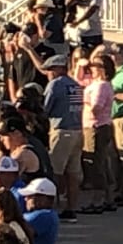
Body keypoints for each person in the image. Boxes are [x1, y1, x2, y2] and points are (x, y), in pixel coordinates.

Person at [38, 50, 84, 215]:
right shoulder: (75, 85)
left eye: (50, 70)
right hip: (77, 131)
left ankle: (52, 208)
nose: (48, 73)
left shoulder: (55, 84)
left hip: (61, 131)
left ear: (58, 69)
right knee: (73, 173)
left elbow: (45, 109)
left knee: (55, 171)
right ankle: (72, 207)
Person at [78, 53, 119, 214]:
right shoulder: (100, 84)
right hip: (101, 126)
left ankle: (98, 200)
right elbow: (80, 79)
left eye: (95, 67)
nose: (92, 70)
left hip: (95, 127)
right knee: (102, 162)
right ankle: (108, 198)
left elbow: (96, 108)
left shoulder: (101, 86)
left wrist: (85, 103)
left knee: (95, 164)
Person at [17, 177, 62, 244]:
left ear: (44, 199)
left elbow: (20, 234)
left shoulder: (44, 215)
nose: (25, 199)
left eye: (30, 196)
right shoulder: (37, 214)